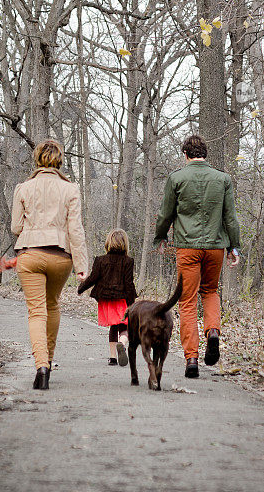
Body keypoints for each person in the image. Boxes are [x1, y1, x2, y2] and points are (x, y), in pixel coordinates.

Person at [153, 134, 240, 379]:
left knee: (187, 301)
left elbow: (165, 213)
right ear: (205, 154)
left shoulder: (177, 178)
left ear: (185, 155)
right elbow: (230, 217)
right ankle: (213, 331)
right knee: (210, 292)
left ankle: (191, 359)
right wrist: (235, 247)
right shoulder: (223, 179)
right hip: (215, 247)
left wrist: (160, 237)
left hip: (188, 248)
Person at [11, 139, 88, 391]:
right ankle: (50, 361)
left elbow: (15, 228)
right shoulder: (71, 189)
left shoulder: (23, 188)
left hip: (30, 254)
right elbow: (75, 230)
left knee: (36, 311)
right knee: (53, 305)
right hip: (60, 256)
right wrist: (81, 266)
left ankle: (41, 367)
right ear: (60, 161)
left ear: (37, 160)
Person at [77, 228, 137, 367]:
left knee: (113, 327)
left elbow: (93, 278)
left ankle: (112, 358)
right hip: (122, 299)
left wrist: (81, 288)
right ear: (125, 244)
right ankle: (122, 343)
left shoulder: (100, 260)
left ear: (108, 242)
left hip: (106, 300)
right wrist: (131, 303)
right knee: (124, 327)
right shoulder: (128, 261)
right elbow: (129, 283)